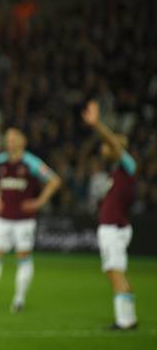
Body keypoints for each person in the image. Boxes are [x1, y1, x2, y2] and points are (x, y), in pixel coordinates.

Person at [0, 127, 61, 312]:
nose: (10, 142)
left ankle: (19, 300)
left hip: (24, 220)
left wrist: (39, 202)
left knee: (23, 257)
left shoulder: (31, 162)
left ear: (23, 141)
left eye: (14, 139)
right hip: (3, 219)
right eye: (8, 139)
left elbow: (54, 180)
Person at [81, 100, 138, 330]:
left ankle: (123, 321)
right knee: (118, 273)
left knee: (114, 272)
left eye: (106, 146)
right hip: (114, 227)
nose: (103, 149)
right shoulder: (116, 173)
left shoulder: (128, 166)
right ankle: (129, 318)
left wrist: (97, 125)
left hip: (113, 228)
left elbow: (113, 143)